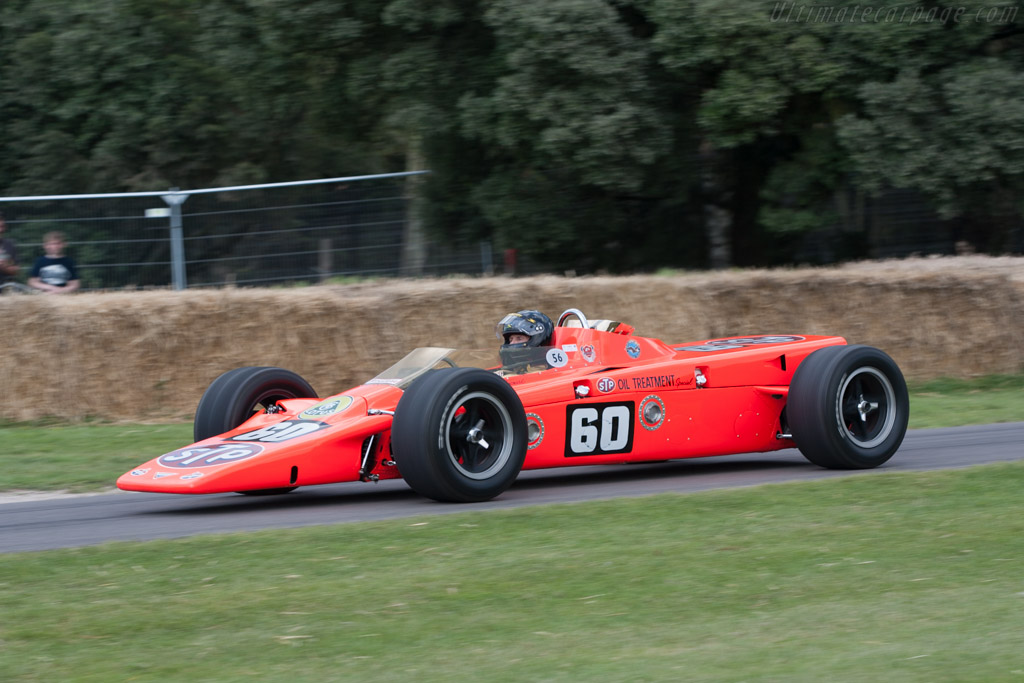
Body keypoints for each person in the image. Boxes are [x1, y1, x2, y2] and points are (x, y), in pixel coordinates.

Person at [0, 211, 20, 289]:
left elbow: (16, 271)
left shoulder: (9, 245)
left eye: (2, 226)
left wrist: (4, 267)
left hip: (5, 286)